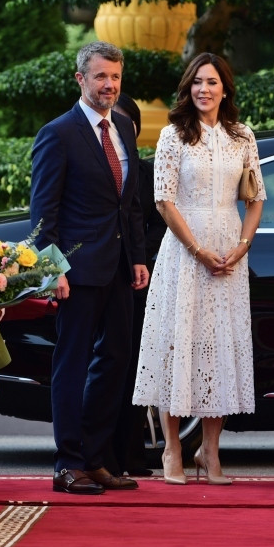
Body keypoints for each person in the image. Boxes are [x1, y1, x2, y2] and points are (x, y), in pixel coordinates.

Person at [133, 53, 266, 485]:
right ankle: (173, 450)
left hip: (230, 251)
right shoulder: (172, 136)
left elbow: (256, 197)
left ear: (225, 88)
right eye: (196, 82)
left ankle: (210, 453)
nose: (203, 90)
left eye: (211, 82)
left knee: (221, 347)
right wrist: (197, 249)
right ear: (187, 89)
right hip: (184, 252)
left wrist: (242, 246)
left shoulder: (243, 135)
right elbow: (163, 200)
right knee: (178, 345)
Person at [30, 41, 149, 494]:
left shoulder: (123, 126)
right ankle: (68, 464)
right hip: (76, 271)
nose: (110, 85)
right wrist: (53, 268)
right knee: (72, 365)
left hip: (120, 268)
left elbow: (131, 203)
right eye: (101, 76)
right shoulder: (57, 133)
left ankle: (96, 459)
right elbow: (44, 214)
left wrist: (137, 257)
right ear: (81, 79)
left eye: (115, 77)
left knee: (115, 362)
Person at [107, 93, 163, 478]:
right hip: (95, 277)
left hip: (140, 279)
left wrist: (138, 259)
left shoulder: (150, 174)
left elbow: (158, 225)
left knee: (132, 369)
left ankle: (130, 453)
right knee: (102, 367)